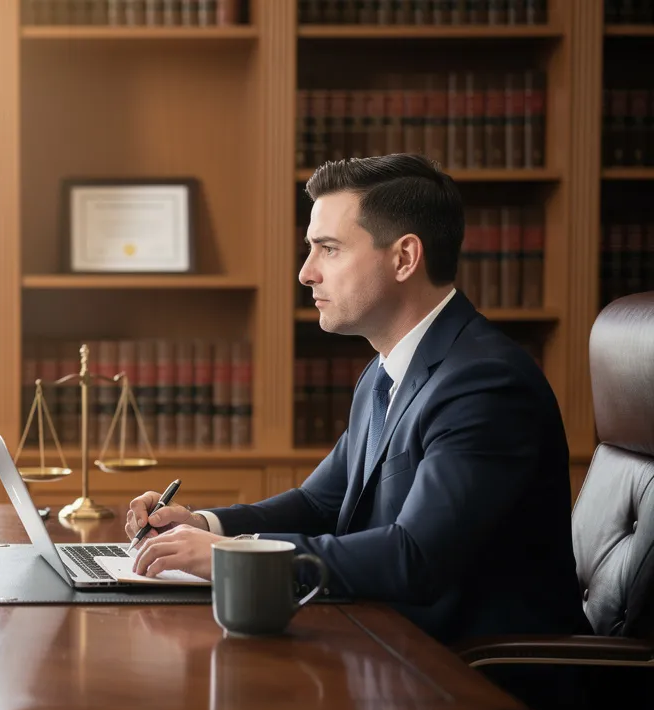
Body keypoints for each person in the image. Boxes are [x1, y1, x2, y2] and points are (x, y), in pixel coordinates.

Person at [125, 154, 586, 647]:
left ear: (405, 258)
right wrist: (204, 524)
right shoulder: (384, 372)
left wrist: (229, 554)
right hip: (391, 647)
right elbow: (318, 503)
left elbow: (416, 557)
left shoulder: (485, 384)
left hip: (477, 680)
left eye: (329, 249)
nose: (306, 273)